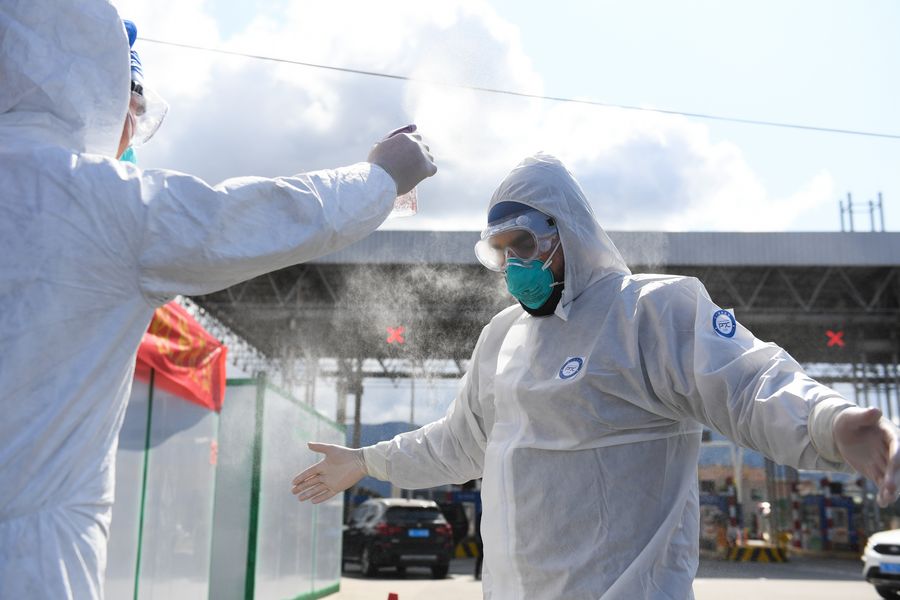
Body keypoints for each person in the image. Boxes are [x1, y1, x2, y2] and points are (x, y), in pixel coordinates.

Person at [292, 153, 900, 599]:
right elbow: (455, 443)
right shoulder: (502, 339)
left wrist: (831, 422)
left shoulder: (650, 312)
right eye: (502, 253)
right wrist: (366, 461)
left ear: (568, 233)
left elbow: (749, 383)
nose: (514, 265)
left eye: (525, 245)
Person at [0, 1, 436, 598]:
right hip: (31, 567)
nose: (130, 133)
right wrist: (382, 177)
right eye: (133, 109)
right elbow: (266, 216)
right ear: (92, 88)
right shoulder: (101, 203)